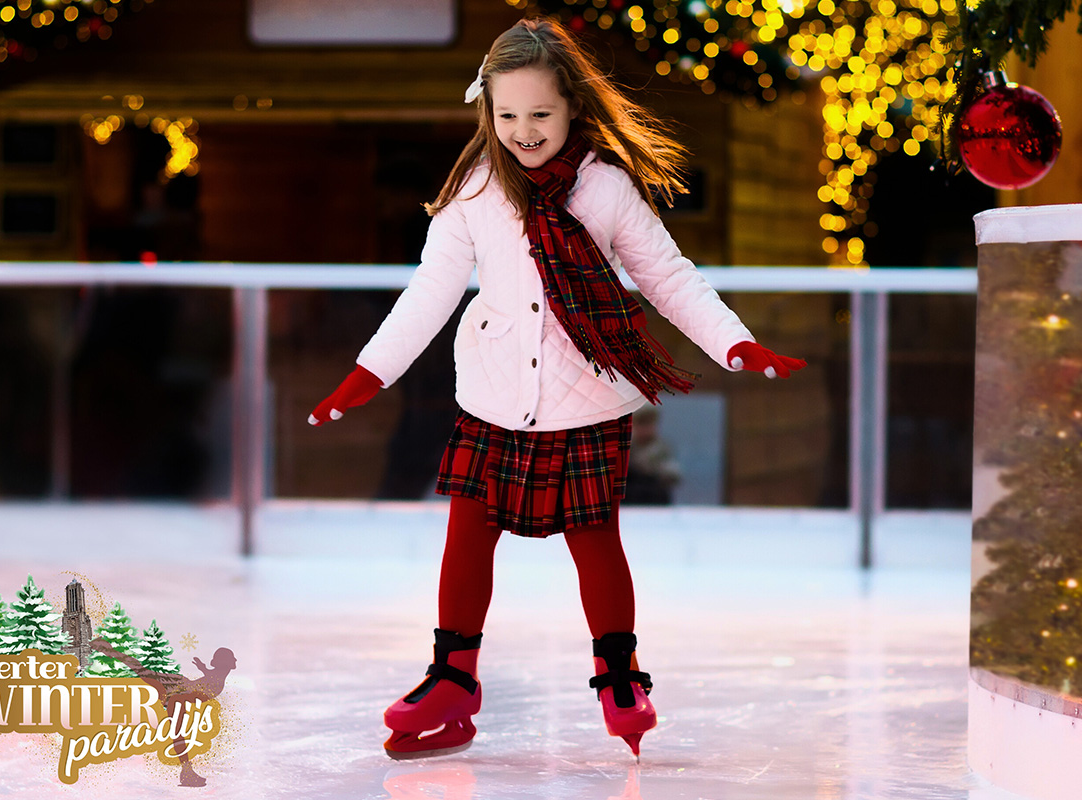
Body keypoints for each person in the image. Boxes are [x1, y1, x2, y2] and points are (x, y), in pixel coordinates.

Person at [308, 17, 805, 760]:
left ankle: (619, 675)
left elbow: (669, 277)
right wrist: (369, 371)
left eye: (539, 114)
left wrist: (733, 343)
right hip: (494, 395)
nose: (524, 131)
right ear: (488, 111)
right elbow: (428, 293)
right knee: (467, 530)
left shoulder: (604, 189)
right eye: (507, 116)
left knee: (594, 535)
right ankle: (453, 676)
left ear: (571, 105)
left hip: (587, 397)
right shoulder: (475, 189)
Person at [90, 637, 237, 787]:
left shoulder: (217, 678)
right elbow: (202, 686)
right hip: (177, 692)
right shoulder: (218, 679)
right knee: (177, 733)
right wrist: (176, 701)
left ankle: (187, 772)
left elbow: (206, 680)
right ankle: (106, 648)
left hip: (179, 694)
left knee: (178, 733)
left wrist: (201, 669)